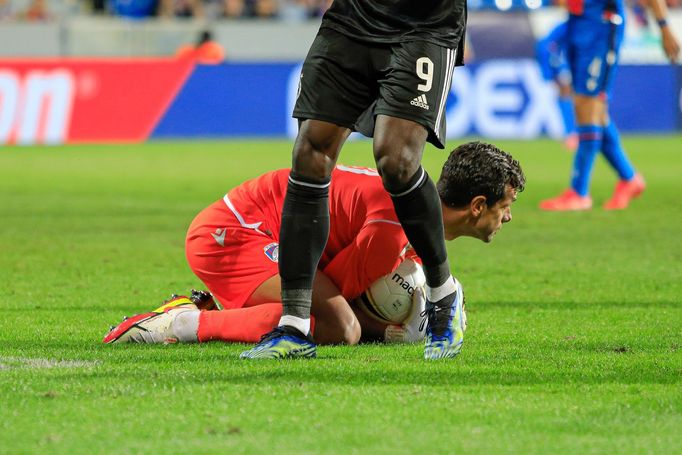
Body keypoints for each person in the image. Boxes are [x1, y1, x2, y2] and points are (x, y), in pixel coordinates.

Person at [104, 142, 525, 350]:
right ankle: (181, 323)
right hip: (232, 233)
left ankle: (211, 308)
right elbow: (330, 300)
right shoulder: (392, 229)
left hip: (266, 235)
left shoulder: (412, 210)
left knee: (334, 323)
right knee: (338, 328)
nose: (507, 218)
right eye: (506, 207)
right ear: (476, 206)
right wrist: (391, 331)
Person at [238, 0, 469, 360]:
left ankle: (443, 295)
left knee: (397, 161)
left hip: (424, 24)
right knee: (310, 155)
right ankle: (294, 326)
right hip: (352, 18)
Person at [539, 0, 679, 211]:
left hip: (602, 25)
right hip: (579, 21)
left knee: (588, 105)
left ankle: (579, 192)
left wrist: (665, 28)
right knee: (594, 111)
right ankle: (629, 178)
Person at [535, 20, 578, 151]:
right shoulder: (569, 26)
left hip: (570, 62)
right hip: (564, 63)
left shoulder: (574, 25)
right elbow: (545, 44)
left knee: (569, 95)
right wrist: (550, 71)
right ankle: (572, 134)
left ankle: (574, 133)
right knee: (566, 94)